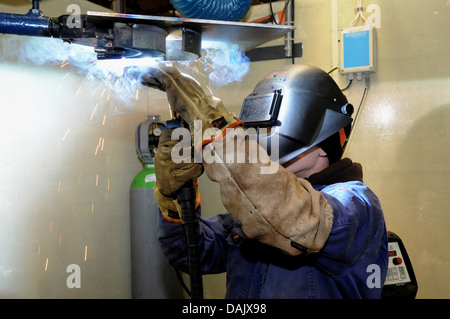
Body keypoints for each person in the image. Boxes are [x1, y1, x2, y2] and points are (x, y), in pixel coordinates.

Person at [142, 63, 388, 299]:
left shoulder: (356, 204)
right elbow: (191, 254)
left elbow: (297, 219)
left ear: (324, 143)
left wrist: (218, 132)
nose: (261, 134)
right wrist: (174, 197)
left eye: (270, 127)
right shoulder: (258, 207)